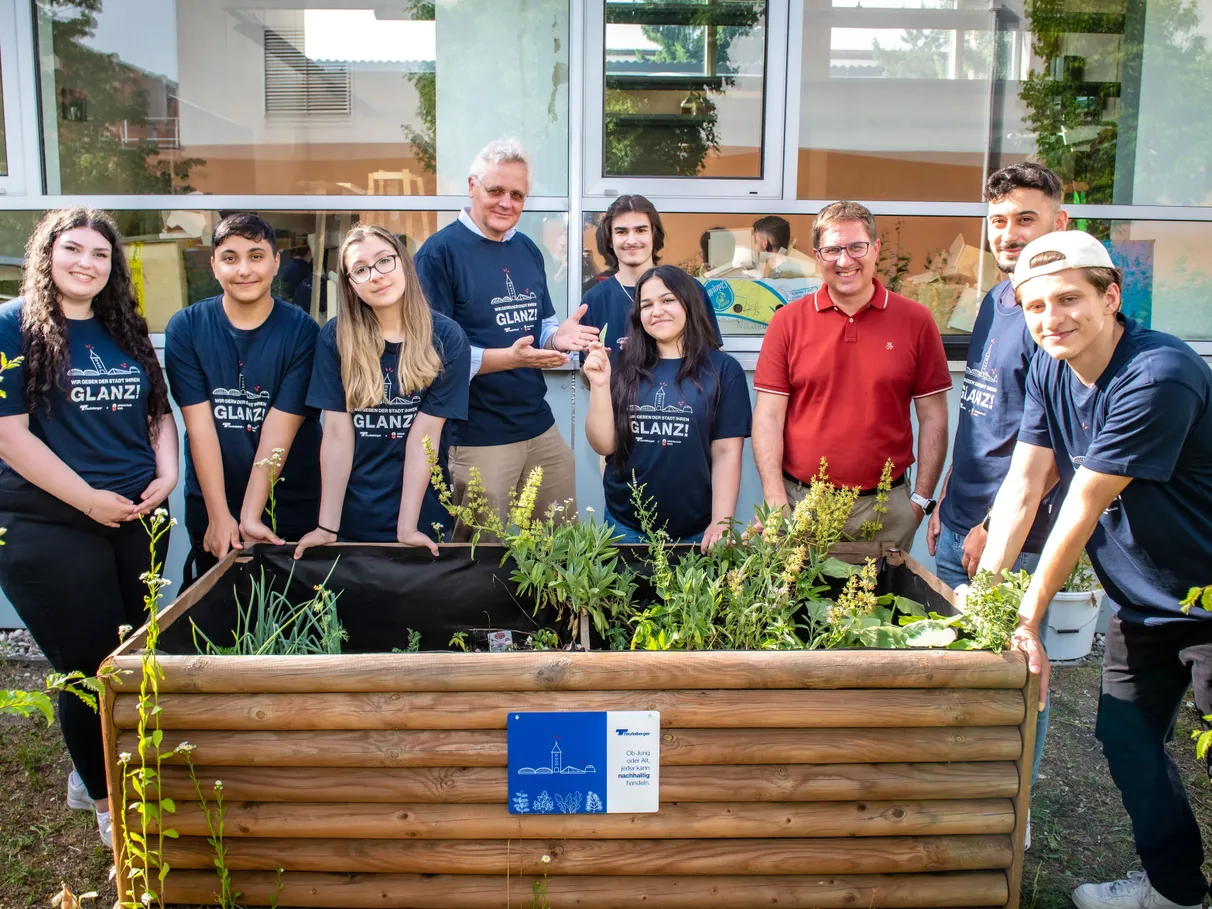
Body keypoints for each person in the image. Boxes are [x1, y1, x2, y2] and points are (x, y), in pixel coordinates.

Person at [977, 230, 1212, 909]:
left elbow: (1082, 502)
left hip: (1208, 599)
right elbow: (1024, 487)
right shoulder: (1052, 367)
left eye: (1070, 298)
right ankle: (1174, 890)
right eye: (1036, 305)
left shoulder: (1158, 373)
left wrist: (1026, 614)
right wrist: (989, 605)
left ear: (1112, 297)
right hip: (1145, 605)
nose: (1053, 318)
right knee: (1127, 738)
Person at [0, 208, 178, 844]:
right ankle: (107, 804)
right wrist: (86, 499)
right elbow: (10, 438)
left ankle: (95, 769)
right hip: (51, 522)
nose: (87, 263)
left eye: (100, 254)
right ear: (46, 255)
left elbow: (158, 412)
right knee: (86, 666)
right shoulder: (10, 325)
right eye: (72, 249)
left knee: (132, 657)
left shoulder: (121, 328)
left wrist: (169, 471)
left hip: (134, 517)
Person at [415, 139, 595, 534]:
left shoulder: (527, 249)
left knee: (562, 549)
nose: (506, 203)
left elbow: (542, 326)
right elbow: (432, 355)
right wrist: (510, 359)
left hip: (538, 424)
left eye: (517, 194)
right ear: (472, 187)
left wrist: (557, 339)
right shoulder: (438, 254)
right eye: (495, 190)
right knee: (478, 559)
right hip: (477, 434)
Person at [752, 201, 950, 549]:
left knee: (884, 603)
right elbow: (768, 417)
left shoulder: (915, 321)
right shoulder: (787, 322)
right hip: (802, 506)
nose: (844, 261)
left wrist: (919, 500)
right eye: (832, 250)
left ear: (875, 248)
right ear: (817, 256)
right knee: (794, 604)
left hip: (886, 511)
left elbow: (933, 417)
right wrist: (774, 497)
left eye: (856, 247)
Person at [929, 163, 1069, 588]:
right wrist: (948, 497)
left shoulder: (1059, 318)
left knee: (1001, 656)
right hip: (959, 520)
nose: (1009, 235)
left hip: (1011, 538)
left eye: (1026, 220)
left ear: (1059, 223)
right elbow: (982, 413)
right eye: (998, 221)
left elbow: (1062, 441)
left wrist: (993, 525)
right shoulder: (996, 298)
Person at [165, 213, 322, 584]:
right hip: (212, 496)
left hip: (289, 498)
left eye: (256, 256)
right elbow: (200, 427)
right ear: (214, 266)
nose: (244, 270)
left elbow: (278, 434)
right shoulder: (186, 328)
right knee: (221, 618)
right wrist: (220, 516)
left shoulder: (302, 332)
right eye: (230, 258)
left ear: (275, 262)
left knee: (293, 615)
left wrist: (250, 516)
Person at [295, 225, 469, 557]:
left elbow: (426, 437)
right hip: (353, 517)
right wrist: (327, 527)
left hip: (422, 516)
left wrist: (408, 527)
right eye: (360, 269)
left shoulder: (447, 337)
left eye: (384, 261)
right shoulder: (336, 337)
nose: (376, 275)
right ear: (350, 285)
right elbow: (335, 434)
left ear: (403, 262)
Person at [582, 265, 750, 550]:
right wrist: (599, 384)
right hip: (626, 525)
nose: (656, 311)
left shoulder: (723, 370)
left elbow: (726, 452)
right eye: (646, 305)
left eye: (667, 300)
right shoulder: (622, 366)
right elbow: (604, 445)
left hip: (697, 528)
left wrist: (721, 521)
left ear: (689, 303)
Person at [582, 195, 721, 350]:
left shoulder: (690, 289)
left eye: (641, 230)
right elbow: (585, 368)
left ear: (654, 235)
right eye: (621, 232)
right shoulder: (594, 299)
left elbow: (711, 357)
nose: (631, 240)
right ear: (609, 239)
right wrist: (593, 365)